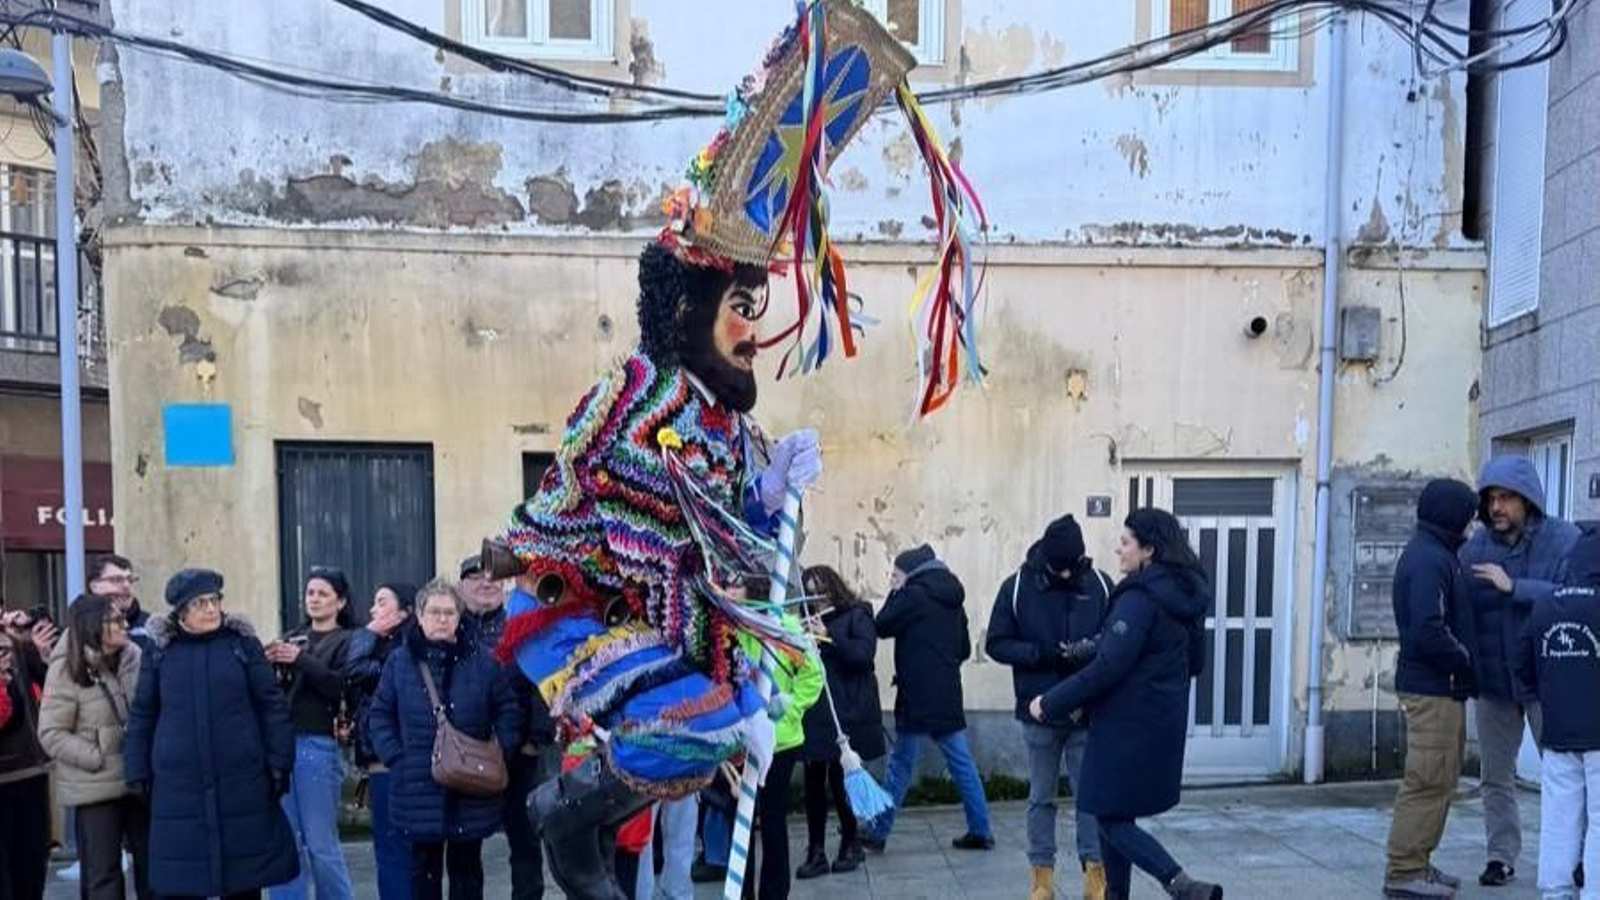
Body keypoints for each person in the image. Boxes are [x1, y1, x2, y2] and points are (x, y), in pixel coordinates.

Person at [1029, 508, 1220, 900]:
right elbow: (1195, 663)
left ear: (1148, 549)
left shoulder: (1140, 597)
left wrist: (1049, 702)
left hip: (1124, 724)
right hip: (1161, 722)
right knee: (1113, 813)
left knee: (1108, 816)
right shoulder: (1186, 594)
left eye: (1127, 541)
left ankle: (1180, 884)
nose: (1118, 547)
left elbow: (1109, 667)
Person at [124, 568, 300, 900]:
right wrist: (136, 768)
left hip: (242, 782)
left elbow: (271, 705)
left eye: (215, 600)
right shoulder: (160, 651)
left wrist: (280, 761)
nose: (211, 609)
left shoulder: (242, 645)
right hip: (179, 786)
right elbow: (143, 714)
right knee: (182, 883)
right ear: (181, 612)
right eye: (200, 603)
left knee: (244, 881)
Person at [1459, 456, 1583, 888]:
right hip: (1493, 684)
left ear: (1528, 499)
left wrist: (1516, 588)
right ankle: (1500, 857)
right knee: (1495, 777)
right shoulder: (1475, 547)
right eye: (1491, 499)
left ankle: (1577, 857)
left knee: (1566, 777)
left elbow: (1575, 597)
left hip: (1548, 682)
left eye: (1506, 497)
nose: (1497, 507)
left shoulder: (1564, 540)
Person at [367, 580, 522, 900]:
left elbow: (508, 710)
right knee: (423, 871)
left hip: (472, 784)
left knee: (467, 872)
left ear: (459, 616)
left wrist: (499, 752)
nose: (442, 619)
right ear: (419, 616)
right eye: (434, 612)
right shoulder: (399, 662)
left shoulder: (484, 661)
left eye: (449, 612)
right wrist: (397, 757)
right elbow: (380, 714)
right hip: (417, 784)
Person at [988, 515, 1112, 900]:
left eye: (1070, 567)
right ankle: (1041, 878)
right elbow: (996, 642)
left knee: (1090, 798)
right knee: (1040, 798)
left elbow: (1116, 638)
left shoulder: (1100, 585)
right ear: (1045, 556)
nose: (1063, 573)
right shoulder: (1018, 586)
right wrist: (1038, 655)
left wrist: (1090, 651)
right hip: (1038, 710)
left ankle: (1095, 875)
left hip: (1086, 712)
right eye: (1057, 566)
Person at [1383, 479, 1480, 899]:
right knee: (1427, 779)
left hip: (1443, 688)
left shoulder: (1437, 553)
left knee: (1441, 778)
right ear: (1451, 516)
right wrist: (1463, 658)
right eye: (1468, 517)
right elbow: (1427, 630)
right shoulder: (1428, 559)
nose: (1472, 526)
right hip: (1433, 688)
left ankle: (1418, 863)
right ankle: (1404, 872)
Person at [861, 544, 993, 853]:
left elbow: (881, 626)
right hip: (946, 691)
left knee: (901, 765)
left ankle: (878, 832)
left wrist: (896, 592)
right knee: (961, 763)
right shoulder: (952, 598)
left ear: (910, 572)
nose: (892, 579)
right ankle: (981, 829)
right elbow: (962, 649)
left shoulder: (913, 594)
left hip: (915, 693)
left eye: (895, 574)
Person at [38, 593, 151, 899]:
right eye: (115, 620)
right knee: (103, 878)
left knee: (153, 871)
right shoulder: (66, 668)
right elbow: (50, 732)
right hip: (95, 788)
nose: (124, 625)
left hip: (138, 779)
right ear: (92, 626)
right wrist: (96, 756)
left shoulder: (133, 656)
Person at [459, 554, 554, 900]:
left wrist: (536, 739)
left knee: (525, 839)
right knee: (465, 841)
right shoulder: (450, 627)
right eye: (476, 578)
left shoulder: (522, 622)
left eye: (493, 579)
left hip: (521, 753)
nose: (486, 583)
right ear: (461, 587)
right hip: (467, 753)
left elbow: (543, 680)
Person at [1513, 525, 1600, 900]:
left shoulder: (1545, 603)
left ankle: (1555, 891)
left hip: (1558, 732)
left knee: (1559, 818)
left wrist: (1548, 694)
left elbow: (1521, 665)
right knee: (1598, 822)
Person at [267, 567, 357, 900]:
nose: (314, 599)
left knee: (320, 843)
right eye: (310, 593)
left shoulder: (348, 640)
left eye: (322, 593)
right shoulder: (292, 636)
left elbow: (341, 688)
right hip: (282, 744)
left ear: (341, 601)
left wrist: (301, 659)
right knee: (286, 840)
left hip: (318, 743)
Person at [795, 564, 884, 879]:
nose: (815, 597)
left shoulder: (857, 615)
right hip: (815, 713)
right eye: (809, 591)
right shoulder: (804, 621)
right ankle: (815, 850)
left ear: (834, 588)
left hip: (845, 711)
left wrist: (827, 635)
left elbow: (863, 656)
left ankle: (851, 842)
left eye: (820, 589)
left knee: (841, 780)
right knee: (813, 783)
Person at [344, 582, 417, 900]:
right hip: (381, 759)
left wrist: (366, 633)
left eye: (381, 603)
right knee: (394, 849)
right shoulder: (385, 645)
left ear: (406, 611)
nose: (373, 611)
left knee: (395, 849)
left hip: (393, 758)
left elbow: (355, 670)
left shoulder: (403, 648)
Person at [0, 624, 52, 900]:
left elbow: (49, 688)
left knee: (30, 867)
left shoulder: (17, 643)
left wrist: (42, 656)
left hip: (29, 770)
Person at [89, 554, 154, 654]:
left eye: (130, 580)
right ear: (94, 586)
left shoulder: (151, 628)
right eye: (117, 580)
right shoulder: (78, 629)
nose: (126, 586)